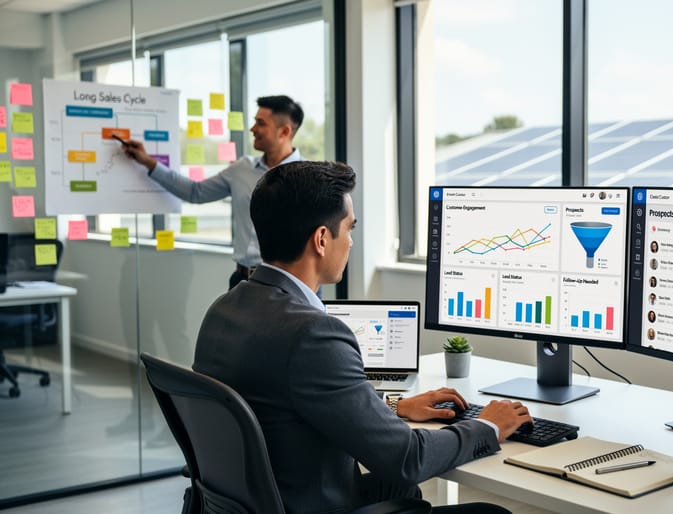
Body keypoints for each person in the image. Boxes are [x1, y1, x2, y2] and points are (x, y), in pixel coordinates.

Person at [193, 161, 529, 513]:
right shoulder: (313, 334)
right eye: (349, 230)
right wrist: (488, 425)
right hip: (312, 502)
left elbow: (286, 404)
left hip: (271, 498)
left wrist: (395, 408)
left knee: (399, 489)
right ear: (322, 239)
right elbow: (409, 458)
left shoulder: (225, 308)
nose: (351, 242)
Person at [119, 95, 305, 289]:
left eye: (261, 123)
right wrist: (147, 162)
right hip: (242, 281)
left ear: (284, 131)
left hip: (289, 284)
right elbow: (195, 192)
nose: (252, 129)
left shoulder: (308, 177)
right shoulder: (241, 169)